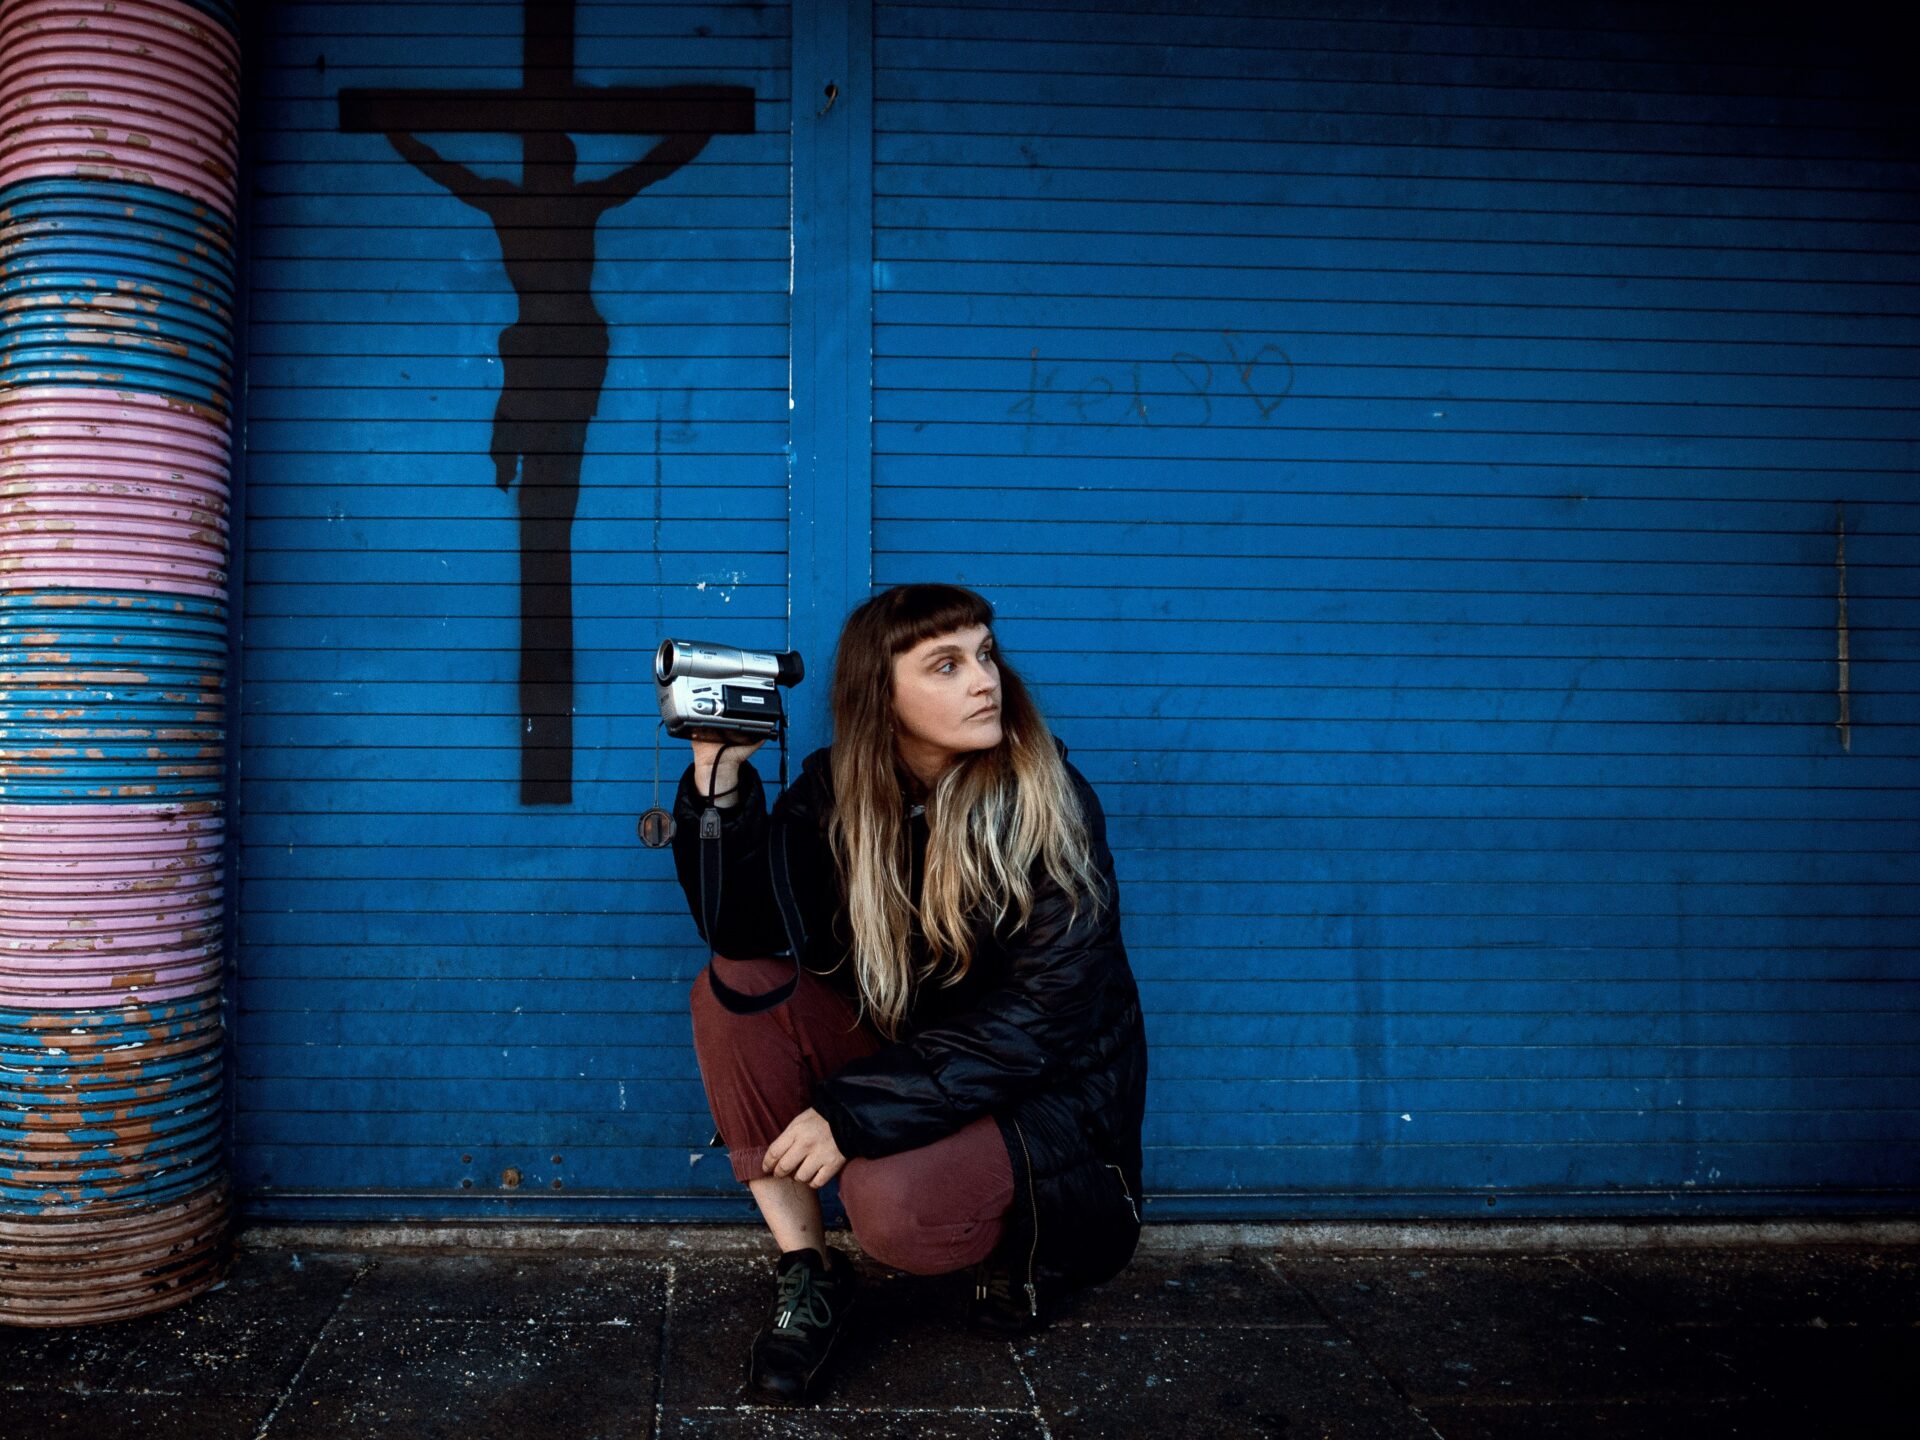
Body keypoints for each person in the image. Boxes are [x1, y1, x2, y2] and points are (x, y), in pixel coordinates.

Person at [669, 583, 1148, 1403]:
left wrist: (851, 1113)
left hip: (1049, 1102)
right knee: (734, 991)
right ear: (880, 697)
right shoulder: (837, 795)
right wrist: (718, 784)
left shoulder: (1048, 803)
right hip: (919, 1062)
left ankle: (1020, 1249)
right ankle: (808, 1271)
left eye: (985, 655)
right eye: (948, 665)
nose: (984, 681)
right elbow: (743, 934)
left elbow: (1037, 1024)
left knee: (889, 1206)